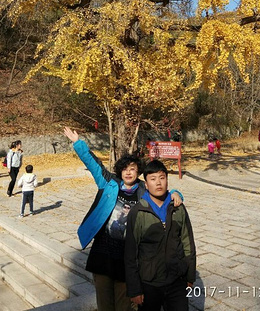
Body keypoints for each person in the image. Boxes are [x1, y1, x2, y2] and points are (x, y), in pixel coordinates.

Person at [63, 126, 183, 311]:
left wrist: (176, 193)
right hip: (103, 253)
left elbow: (162, 190)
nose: (128, 172)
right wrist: (78, 143)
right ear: (120, 171)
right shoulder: (108, 183)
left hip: (128, 257)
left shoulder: (144, 189)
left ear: (138, 172)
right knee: (104, 304)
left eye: (133, 169)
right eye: (125, 169)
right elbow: (93, 163)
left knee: (124, 305)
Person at [125, 159, 196, 311]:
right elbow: (130, 254)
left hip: (176, 280)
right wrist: (135, 289)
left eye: (162, 178)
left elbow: (187, 243)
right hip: (149, 283)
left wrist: (190, 276)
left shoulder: (177, 208)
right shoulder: (138, 212)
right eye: (153, 179)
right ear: (146, 184)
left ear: (167, 181)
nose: (158, 183)